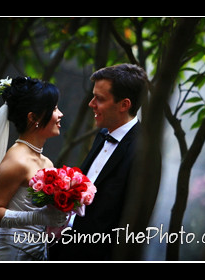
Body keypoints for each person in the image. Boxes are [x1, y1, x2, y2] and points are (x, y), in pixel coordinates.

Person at [50, 63, 149, 260]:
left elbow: (130, 223)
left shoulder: (142, 153)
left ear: (124, 105)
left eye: (100, 99)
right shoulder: (102, 134)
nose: (91, 103)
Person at [0, 77, 68, 261]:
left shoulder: (47, 163)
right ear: (33, 117)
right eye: (54, 109)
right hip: (9, 253)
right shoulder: (17, 161)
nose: (60, 114)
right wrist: (38, 218)